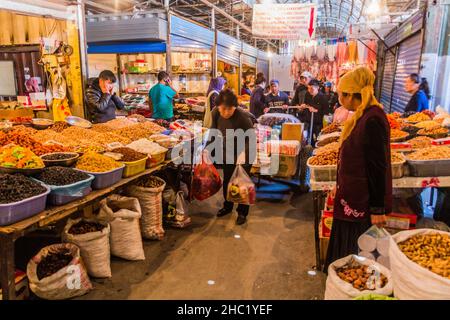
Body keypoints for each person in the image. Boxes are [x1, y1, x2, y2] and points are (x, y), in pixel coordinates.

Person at [324, 67, 393, 271]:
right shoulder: (361, 115)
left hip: (362, 203)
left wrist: (378, 208)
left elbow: (378, 167)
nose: (338, 99)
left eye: (340, 94)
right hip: (351, 196)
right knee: (347, 255)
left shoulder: (372, 119)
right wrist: (340, 184)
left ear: (352, 95)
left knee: (358, 255)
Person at [210, 89, 255, 226]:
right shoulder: (215, 113)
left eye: (229, 109)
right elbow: (214, 131)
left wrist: (244, 154)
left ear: (235, 107)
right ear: (218, 107)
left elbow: (250, 138)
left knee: (241, 184)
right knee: (228, 181)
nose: (226, 112)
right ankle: (227, 206)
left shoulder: (242, 116)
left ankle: (242, 212)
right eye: (223, 109)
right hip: (227, 152)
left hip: (244, 152)